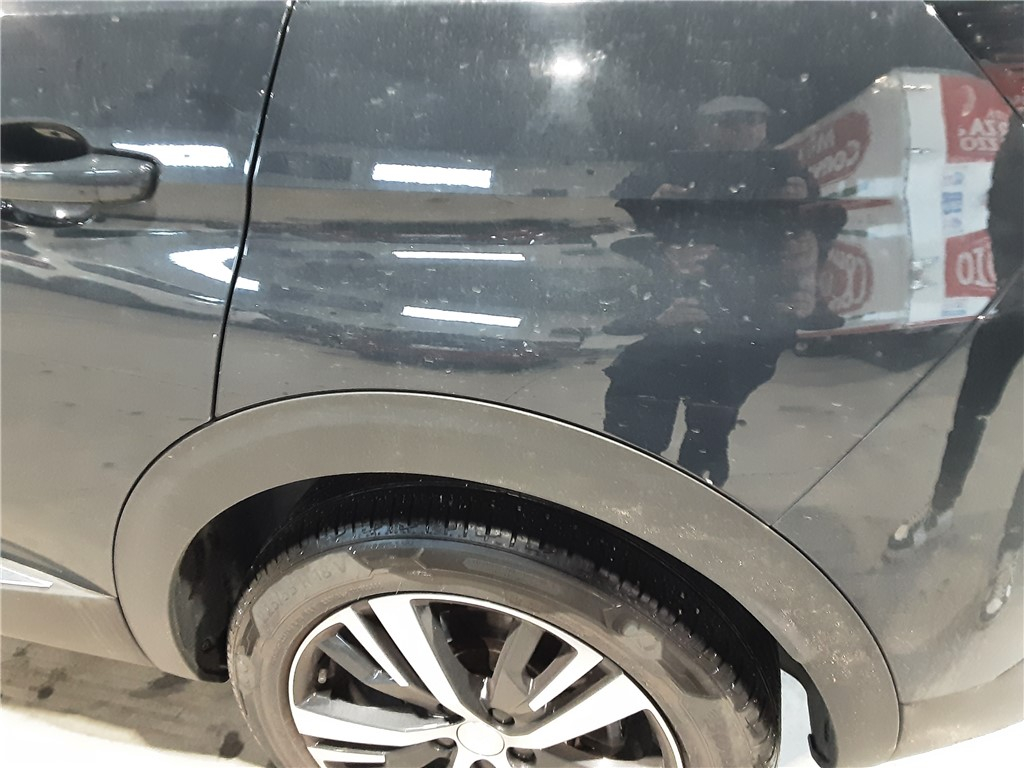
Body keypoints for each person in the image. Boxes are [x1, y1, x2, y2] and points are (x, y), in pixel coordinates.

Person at [603, 96, 844, 486]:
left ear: (765, 127)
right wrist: (652, 212)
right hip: (673, 304)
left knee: (714, 419)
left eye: (753, 120)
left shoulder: (784, 168)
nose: (742, 129)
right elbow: (611, 219)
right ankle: (639, 483)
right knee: (641, 420)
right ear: (702, 129)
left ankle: (700, 466)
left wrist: (805, 210)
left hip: (751, 312)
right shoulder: (671, 165)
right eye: (728, 121)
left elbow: (826, 228)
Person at [887, 120, 1022, 622]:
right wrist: (1009, 273)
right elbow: (1000, 199)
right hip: (1012, 300)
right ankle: (940, 510)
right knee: (970, 412)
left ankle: (1010, 551)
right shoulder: (1020, 123)